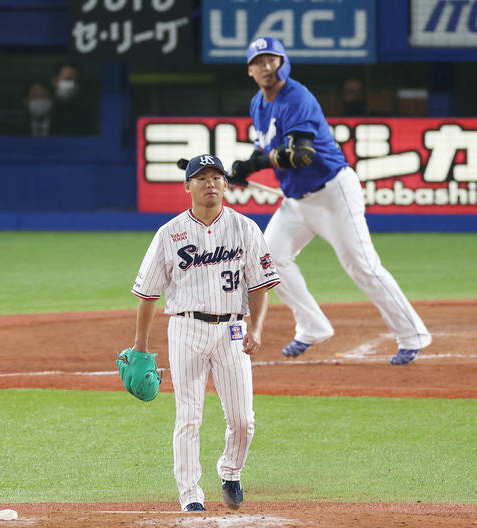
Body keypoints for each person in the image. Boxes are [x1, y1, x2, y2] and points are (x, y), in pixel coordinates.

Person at [229, 37, 431, 366]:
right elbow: (263, 147)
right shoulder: (258, 104)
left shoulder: (297, 97)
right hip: (296, 201)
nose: (267, 67)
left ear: (283, 63)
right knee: (268, 259)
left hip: (333, 193)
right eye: (259, 62)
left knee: (363, 267)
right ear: (250, 70)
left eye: (272, 60)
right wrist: (244, 167)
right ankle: (312, 325)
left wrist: (257, 164)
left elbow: (302, 154)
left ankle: (412, 334)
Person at [129, 154, 280, 511]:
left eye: (216, 177)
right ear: (187, 186)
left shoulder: (246, 229)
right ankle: (190, 494)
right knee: (189, 415)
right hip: (185, 329)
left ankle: (231, 470)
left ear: (226, 185)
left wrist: (256, 328)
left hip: (232, 330)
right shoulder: (169, 234)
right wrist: (139, 347)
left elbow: (261, 286)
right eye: (201, 178)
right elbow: (148, 294)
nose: (210, 183)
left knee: (243, 420)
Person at [50, 62, 97, 135]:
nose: (73, 84)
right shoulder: (48, 107)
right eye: (68, 79)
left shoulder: (85, 111)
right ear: (55, 81)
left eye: (75, 80)